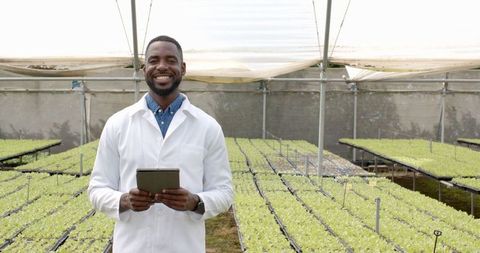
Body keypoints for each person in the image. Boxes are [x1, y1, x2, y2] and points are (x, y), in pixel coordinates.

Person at [88, 35, 233, 253]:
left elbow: (224, 192)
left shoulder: (207, 127)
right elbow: (97, 189)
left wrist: (195, 202)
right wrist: (125, 200)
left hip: (184, 246)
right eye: (154, 60)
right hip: (132, 246)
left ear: (182, 68)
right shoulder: (117, 124)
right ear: (144, 67)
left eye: (171, 60)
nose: (162, 66)